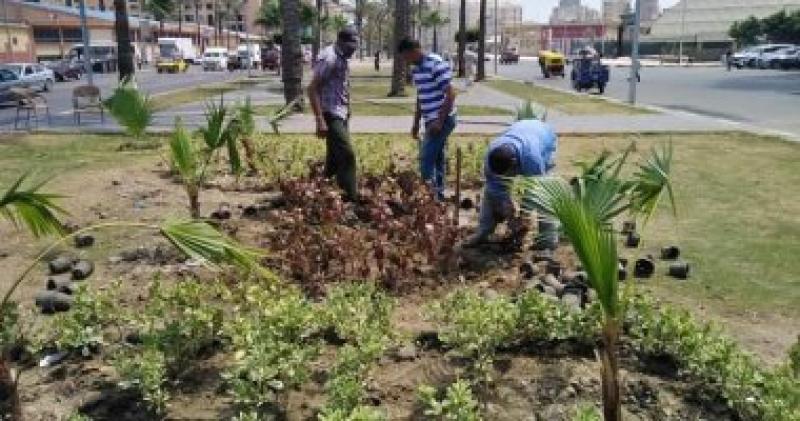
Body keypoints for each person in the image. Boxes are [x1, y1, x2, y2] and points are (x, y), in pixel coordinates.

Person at [464, 119, 559, 251]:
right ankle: (483, 232)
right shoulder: (491, 156)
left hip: (543, 136)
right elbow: (495, 189)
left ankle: (547, 240)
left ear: (514, 164)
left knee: (543, 194)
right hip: (521, 131)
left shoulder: (532, 159)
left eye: (507, 174)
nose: (505, 178)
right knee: (490, 192)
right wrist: (508, 211)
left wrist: (522, 219)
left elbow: (533, 192)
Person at [396, 37, 457, 201]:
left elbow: (450, 94)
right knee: (437, 158)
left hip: (443, 120)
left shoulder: (435, 65)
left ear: (413, 51)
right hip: (430, 120)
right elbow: (421, 96)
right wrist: (416, 122)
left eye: (406, 57)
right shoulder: (416, 69)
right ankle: (438, 197)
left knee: (425, 159)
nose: (406, 62)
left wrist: (439, 121)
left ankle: (428, 199)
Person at [308, 28, 360, 201]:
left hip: (341, 111)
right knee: (347, 155)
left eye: (355, 46)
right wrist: (319, 120)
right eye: (350, 46)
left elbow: (342, 85)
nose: (353, 49)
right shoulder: (329, 58)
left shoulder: (343, 57)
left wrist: (348, 107)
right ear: (340, 42)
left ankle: (318, 193)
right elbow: (312, 89)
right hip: (330, 114)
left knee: (334, 159)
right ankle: (351, 199)